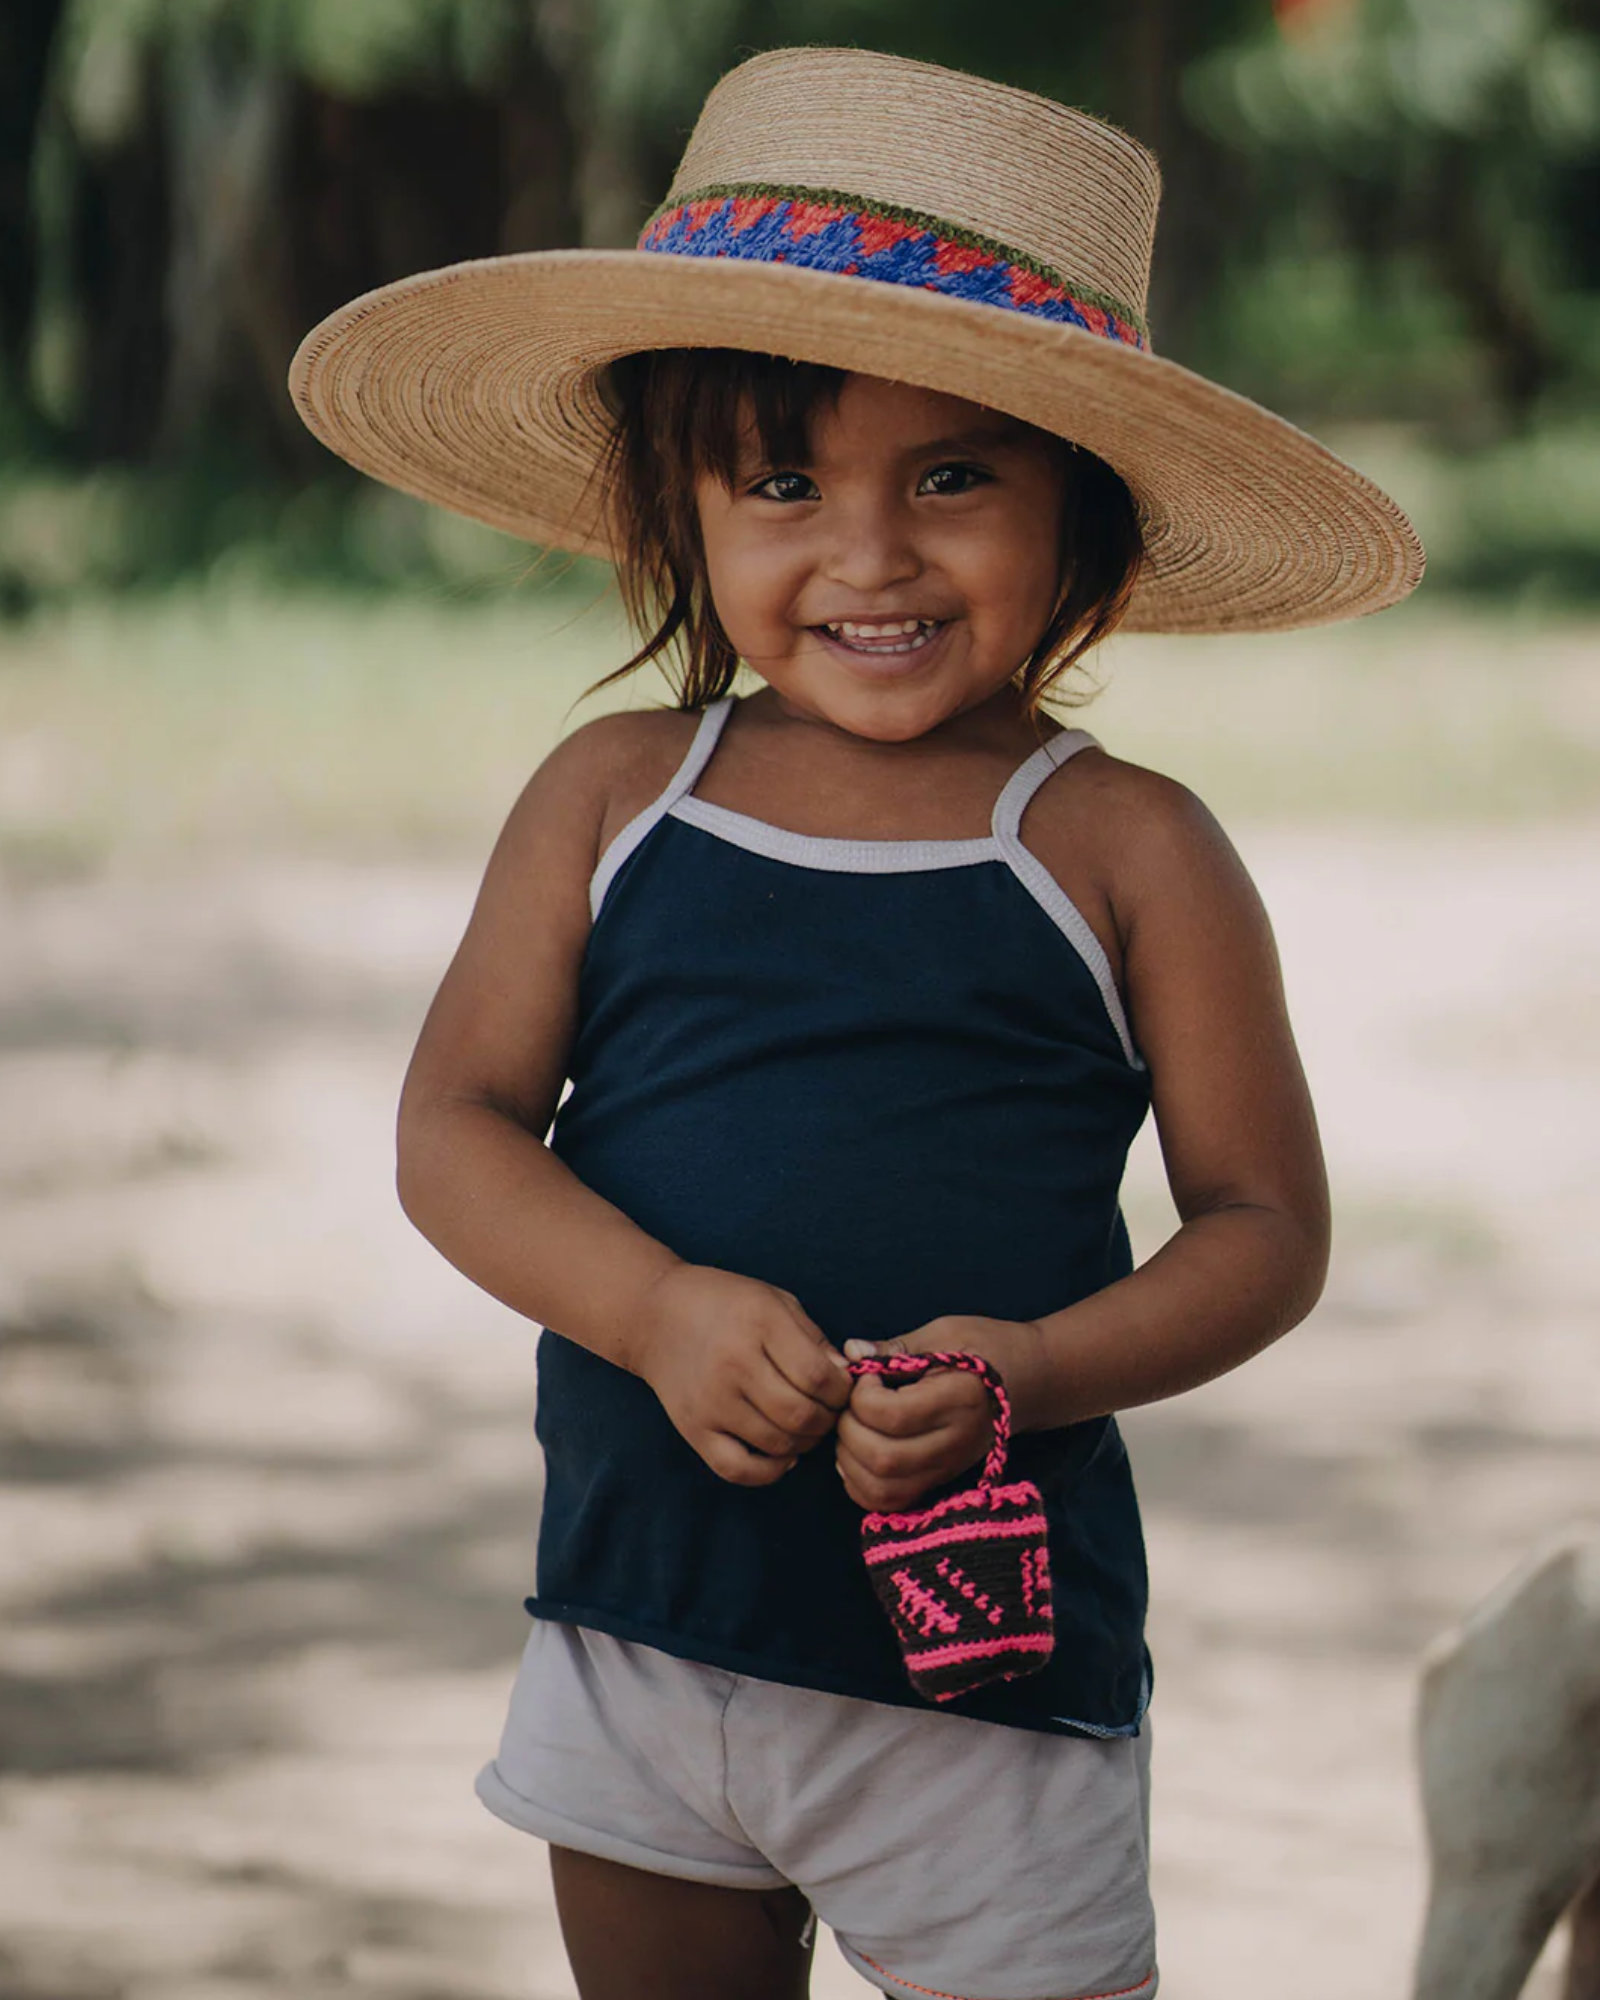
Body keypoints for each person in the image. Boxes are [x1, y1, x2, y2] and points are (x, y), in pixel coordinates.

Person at [289, 45, 1422, 2000]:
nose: (869, 552)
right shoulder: (613, 794)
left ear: (1083, 511)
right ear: (682, 497)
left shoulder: (1122, 848)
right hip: (643, 1626)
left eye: (953, 475)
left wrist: (1036, 1368)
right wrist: (648, 1309)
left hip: (980, 1678)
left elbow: (1262, 1230)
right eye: (784, 478)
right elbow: (453, 1127)